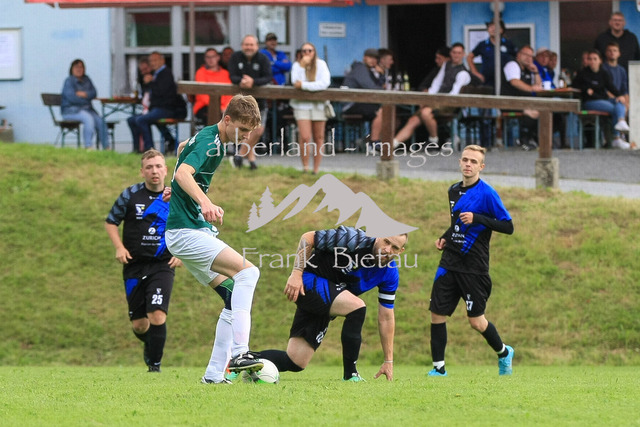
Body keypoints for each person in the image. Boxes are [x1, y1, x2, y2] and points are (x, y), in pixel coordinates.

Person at [164, 94, 264, 384]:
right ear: (227, 120)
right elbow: (184, 172)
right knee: (248, 272)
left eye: (249, 132)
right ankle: (241, 353)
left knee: (232, 295)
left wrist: (176, 188)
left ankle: (213, 375)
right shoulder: (211, 142)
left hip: (188, 230)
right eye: (242, 130)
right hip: (186, 231)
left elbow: (183, 149)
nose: (245, 137)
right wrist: (203, 201)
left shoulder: (211, 137)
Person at [257, 226, 408, 382]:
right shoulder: (353, 238)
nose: (387, 249)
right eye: (386, 242)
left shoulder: (390, 274)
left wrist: (388, 361)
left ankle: (245, 359)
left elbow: (386, 317)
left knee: (296, 361)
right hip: (308, 282)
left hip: (328, 299)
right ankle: (351, 375)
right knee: (357, 307)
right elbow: (308, 237)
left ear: (400, 251)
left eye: (394, 247)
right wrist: (296, 273)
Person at [428, 144, 514, 377]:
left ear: (481, 167)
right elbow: (457, 223)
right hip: (449, 262)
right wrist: (445, 237)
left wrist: (478, 218)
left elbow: (508, 226)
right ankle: (439, 369)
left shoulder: (487, 194)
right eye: (465, 160)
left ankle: (504, 352)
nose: (468, 164)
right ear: (459, 162)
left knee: (476, 321)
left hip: (474, 266)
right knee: (437, 313)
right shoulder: (453, 191)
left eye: (473, 161)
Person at [105, 149, 182, 372]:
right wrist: (119, 247)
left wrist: (181, 253)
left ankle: (154, 367)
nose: (154, 171)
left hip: (162, 265)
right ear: (142, 171)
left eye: (158, 166)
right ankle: (151, 345)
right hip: (134, 265)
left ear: (165, 170)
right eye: (149, 167)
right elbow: (111, 222)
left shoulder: (176, 197)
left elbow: (190, 226)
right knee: (139, 325)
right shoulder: (130, 195)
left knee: (157, 314)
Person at [393, 43, 470, 148]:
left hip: (450, 104)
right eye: (454, 52)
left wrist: (433, 102)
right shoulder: (446, 65)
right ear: (451, 53)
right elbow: (436, 83)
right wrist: (428, 98)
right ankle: (391, 145)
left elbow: (454, 94)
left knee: (425, 112)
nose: (456, 55)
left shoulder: (463, 73)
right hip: (436, 102)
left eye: (459, 53)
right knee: (413, 120)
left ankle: (433, 140)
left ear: (463, 54)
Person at [467, 20, 517, 148]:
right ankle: (485, 145)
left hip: (505, 84)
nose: (493, 29)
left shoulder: (508, 44)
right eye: (490, 26)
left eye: (496, 26)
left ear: (502, 29)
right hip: (487, 84)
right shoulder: (483, 45)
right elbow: (469, 57)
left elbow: (517, 59)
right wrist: (475, 73)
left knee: (506, 113)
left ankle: (508, 144)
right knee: (485, 114)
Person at [228, 35, 273, 169]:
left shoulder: (263, 59)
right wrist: (241, 81)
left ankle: (239, 156)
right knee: (247, 131)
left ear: (257, 46)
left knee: (258, 131)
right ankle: (252, 161)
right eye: (246, 44)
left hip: (260, 102)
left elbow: (268, 77)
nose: (249, 47)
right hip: (241, 101)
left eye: (251, 45)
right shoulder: (235, 57)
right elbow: (232, 76)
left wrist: (253, 82)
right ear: (242, 46)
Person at [127, 52, 186, 153]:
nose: (153, 63)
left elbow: (161, 92)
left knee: (141, 120)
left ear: (162, 61)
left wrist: (151, 82)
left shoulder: (166, 73)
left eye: (155, 60)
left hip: (169, 109)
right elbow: (148, 93)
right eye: (151, 61)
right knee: (131, 120)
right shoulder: (155, 74)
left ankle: (150, 150)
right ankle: (137, 149)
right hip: (157, 108)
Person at [572, 49, 630, 149]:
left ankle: (621, 121)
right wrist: (586, 89)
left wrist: (620, 95)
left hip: (604, 100)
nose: (592, 61)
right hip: (590, 102)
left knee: (619, 102)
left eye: (595, 59)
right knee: (614, 108)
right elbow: (575, 86)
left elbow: (611, 87)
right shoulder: (583, 73)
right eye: (590, 59)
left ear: (600, 61)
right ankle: (616, 137)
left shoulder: (604, 73)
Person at [290, 42, 331, 174]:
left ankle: (316, 169)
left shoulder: (321, 64)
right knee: (305, 137)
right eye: (304, 51)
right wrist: (302, 67)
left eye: (310, 50)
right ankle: (305, 167)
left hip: (319, 105)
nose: (307, 53)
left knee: (319, 137)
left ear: (314, 52)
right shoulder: (297, 65)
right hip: (301, 105)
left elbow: (324, 83)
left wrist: (304, 86)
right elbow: (295, 82)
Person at [501, 45, 543, 150]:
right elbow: (514, 82)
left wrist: (536, 72)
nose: (529, 58)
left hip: (524, 103)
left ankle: (533, 140)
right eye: (526, 55)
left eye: (531, 56)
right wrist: (531, 88)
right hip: (510, 102)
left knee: (544, 111)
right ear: (518, 55)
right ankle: (524, 140)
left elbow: (538, 86)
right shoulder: (512, 65)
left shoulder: (529, 70)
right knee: (533, 112)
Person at [342, 48, 385, 150]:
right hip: (350, 105)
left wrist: (381, 75)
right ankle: (374, 143)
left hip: (360, 103)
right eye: (370, 57)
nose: (373, 60)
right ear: (364, 58)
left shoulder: (369, 71)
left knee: (386, 110)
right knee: (381, 111)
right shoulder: (360, 68)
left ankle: (369, 141)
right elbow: (371, 87)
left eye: (375, 58)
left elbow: (377, 86)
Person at [61, 59, 108, 150]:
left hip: (87, 110)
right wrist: (87, 99)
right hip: (71, 111)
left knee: (100, 121)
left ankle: (106, 148)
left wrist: (84, 94)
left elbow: (94, 93)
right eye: (76, 67)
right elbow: (72, 98)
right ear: (72, 69)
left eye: (81, 67)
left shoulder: (87, 80)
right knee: (88, 119)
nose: (79, 69)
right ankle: (88, 146)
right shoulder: (69, 81)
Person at [193, 48, 233, 125]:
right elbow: (202, 95)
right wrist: (218, 108)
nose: (210, 59)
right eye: (208, 57)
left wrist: (225, 107)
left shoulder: (225, 73)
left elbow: (229, 93)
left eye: (213, 56)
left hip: (224, 107)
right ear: (205, 59)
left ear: (218, 57)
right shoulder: (200, 72)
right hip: (205, 106)